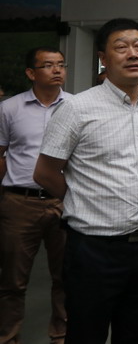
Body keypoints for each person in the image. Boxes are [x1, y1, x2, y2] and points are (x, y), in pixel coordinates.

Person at [34, 18, 138, 343]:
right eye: (121, 47)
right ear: (103, 57)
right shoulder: (77, 108)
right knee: (87, 333)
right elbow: (44, 172)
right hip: (93, 250)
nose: (133, 54)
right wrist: (83, 198)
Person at [0, 47, 70, 344]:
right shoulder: (9, 108)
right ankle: (8, 336)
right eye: (48, 65)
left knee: (65, 276)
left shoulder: (76, 107)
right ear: (31, 73)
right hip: (20, 202)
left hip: (64, 202)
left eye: (61, 65)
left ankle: (61, 335)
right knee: (12, 280)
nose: (57, 70)